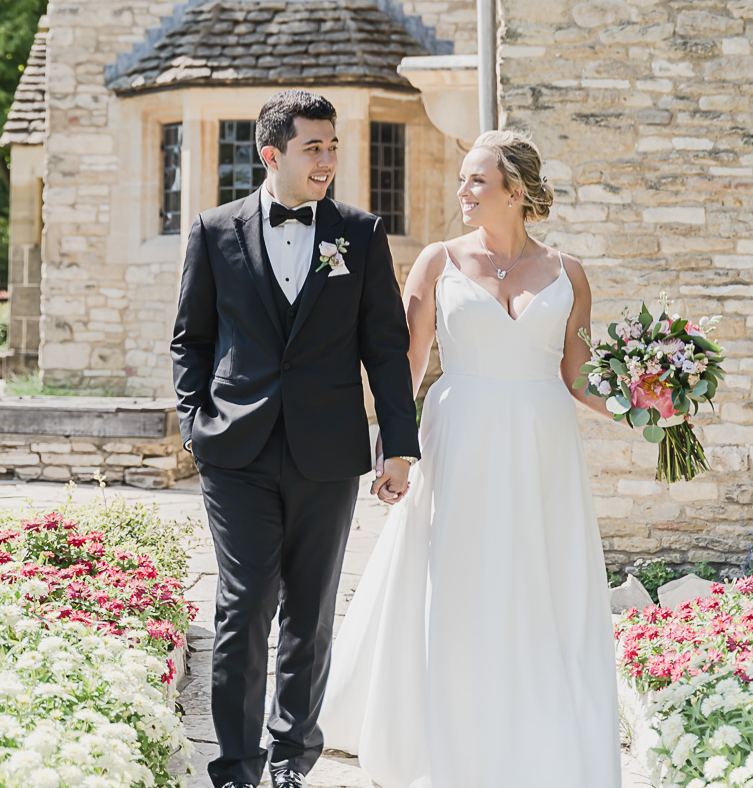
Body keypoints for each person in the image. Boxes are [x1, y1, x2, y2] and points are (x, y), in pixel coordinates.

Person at [321, 129, 622, 788]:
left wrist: (646, 405)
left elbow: (580, 376)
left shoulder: (569, 274)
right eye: (463, 179)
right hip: (461, 439)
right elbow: (406, 361)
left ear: (516, 191)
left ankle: (532, 726)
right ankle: (446, 731)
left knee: (538, 579)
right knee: (457, 576)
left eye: (477, 180)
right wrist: (395, 451)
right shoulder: (438, 262)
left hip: (544, 447)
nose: (462, 191)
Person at [171, 89, 420, 788]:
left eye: (334, 145)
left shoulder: (361, 234)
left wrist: (397, 444)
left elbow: (385, 345)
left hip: (327, 451)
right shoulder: (213, 231)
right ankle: (236, 768)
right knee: (242, 608)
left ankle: (290, 761)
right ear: (271, 153)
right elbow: (190, 340)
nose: (329, 159)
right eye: (314, 146)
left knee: (310, 613)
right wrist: (196, 425)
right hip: (235, 452)